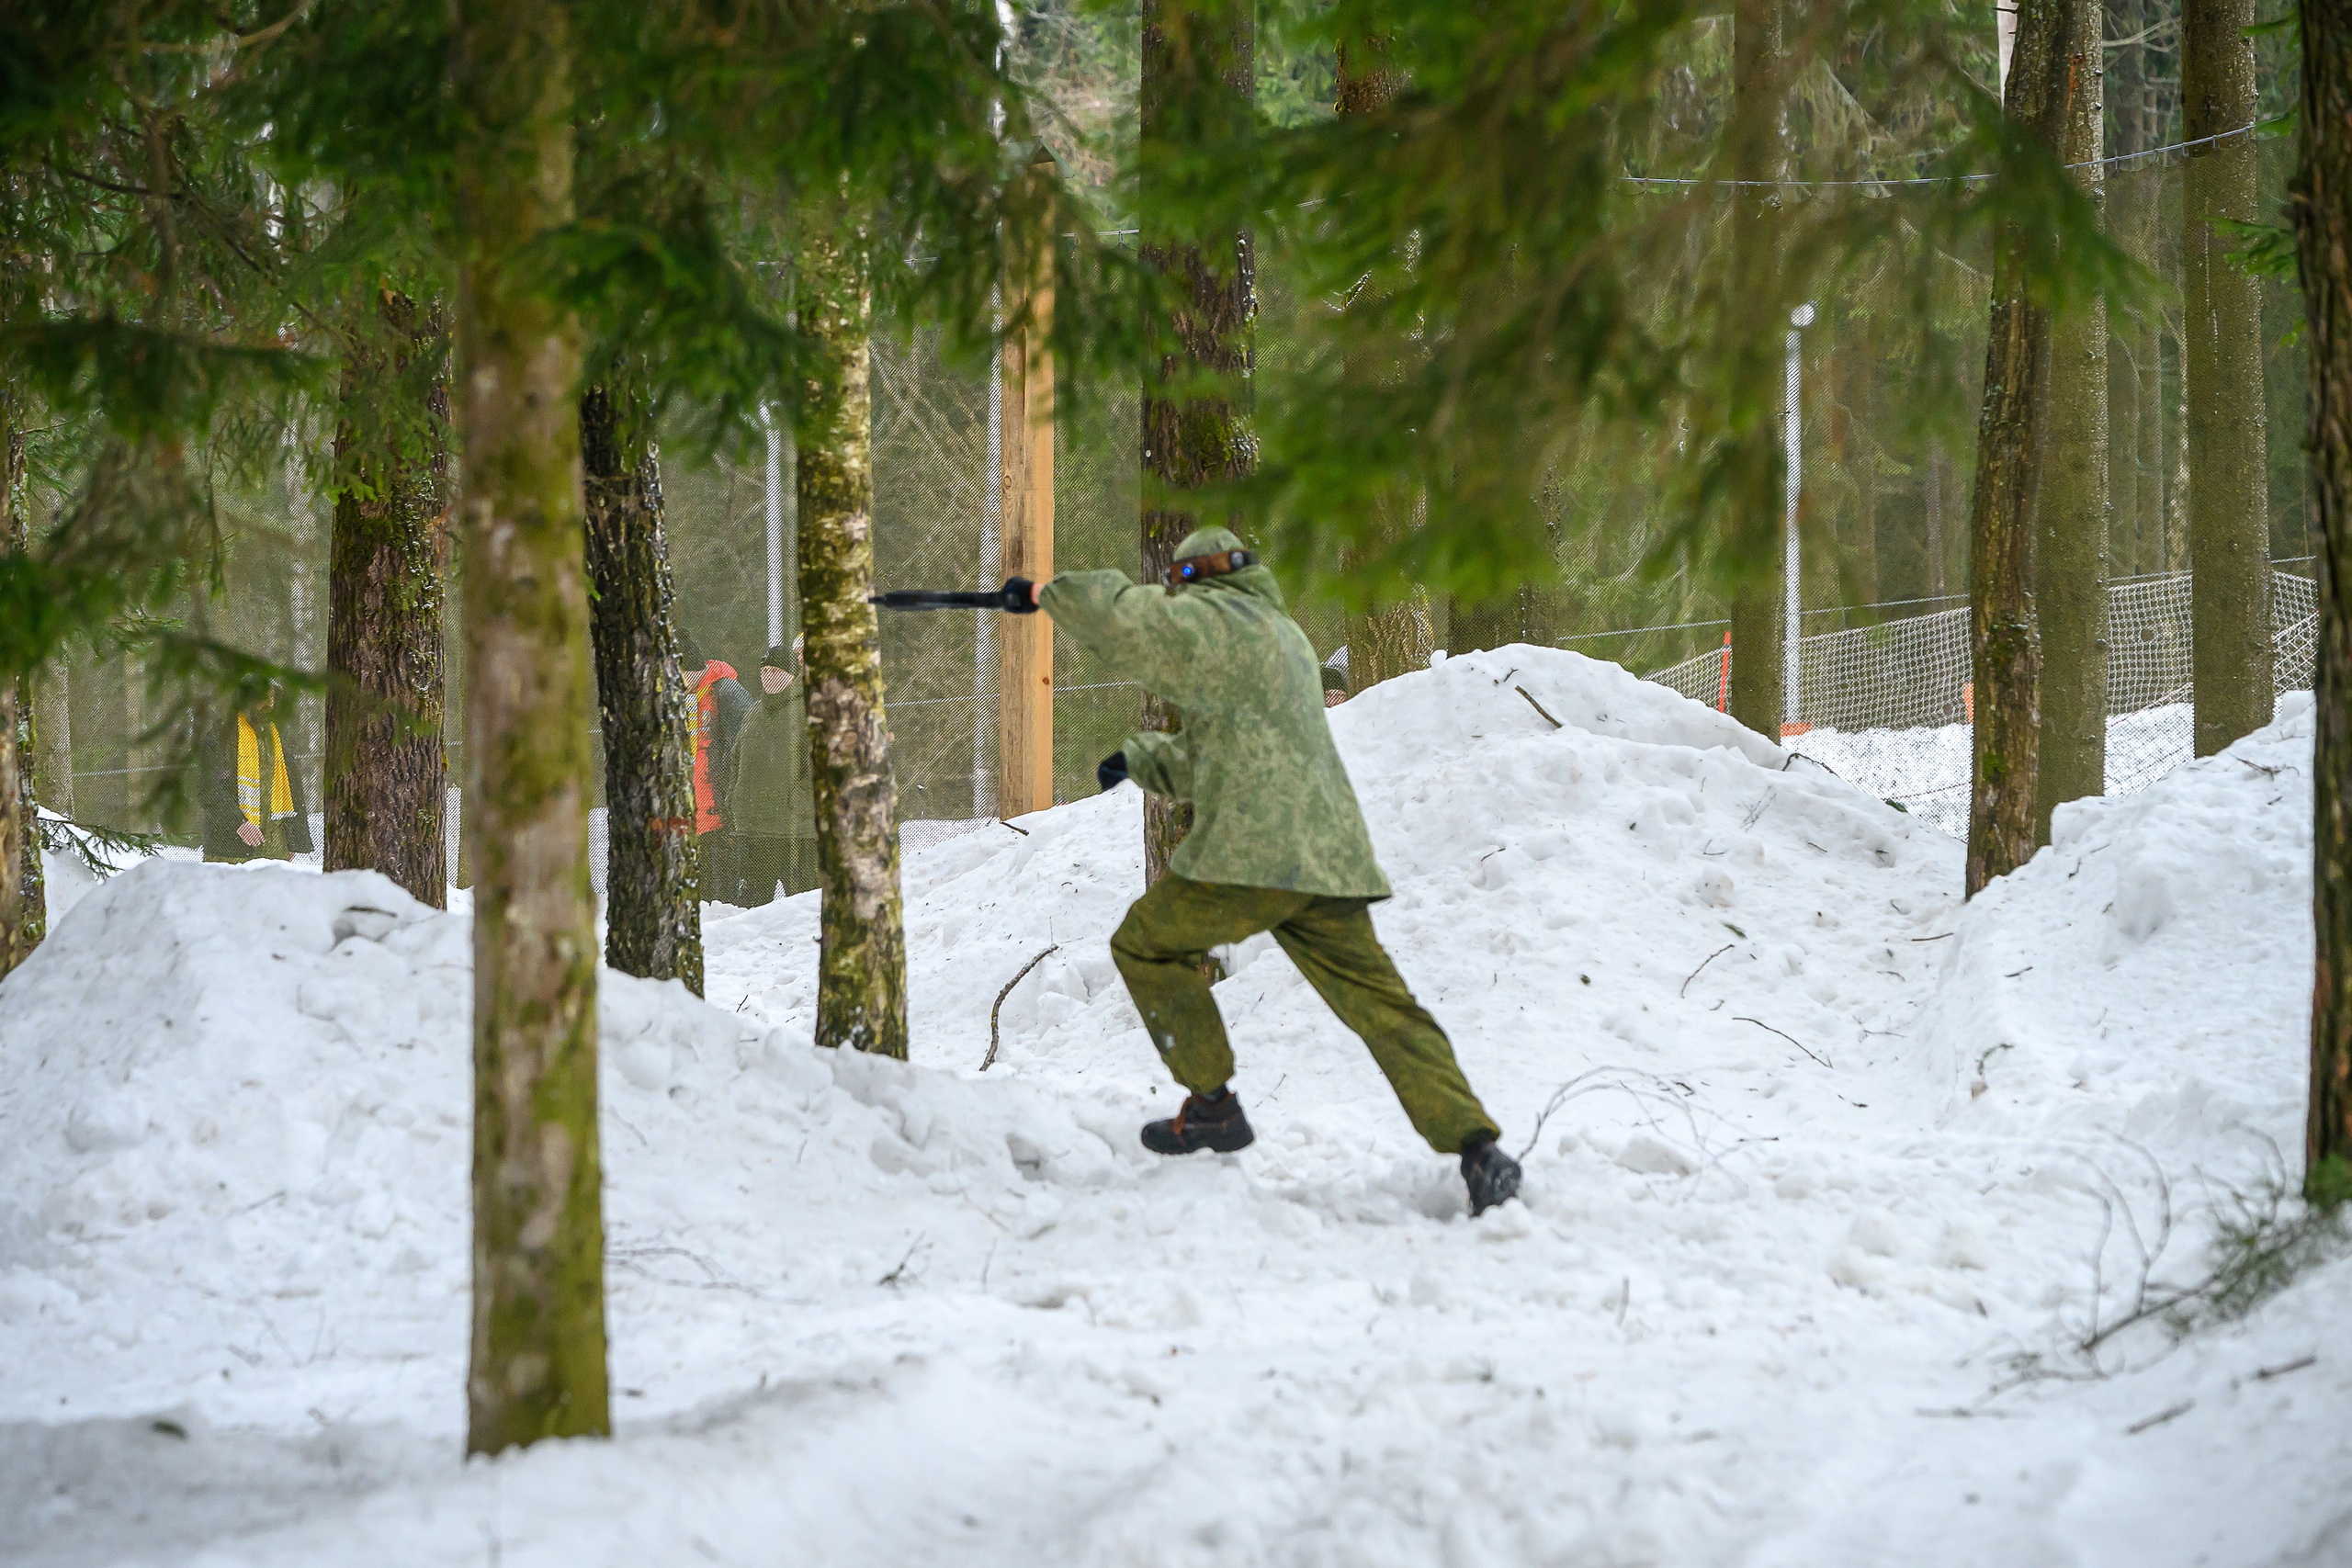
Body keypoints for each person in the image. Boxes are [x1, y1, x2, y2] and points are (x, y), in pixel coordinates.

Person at [1015, 526, 1521, 1215]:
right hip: (1326, 858)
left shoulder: (1213, 620)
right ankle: (1479, 1150)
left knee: (1143, 943)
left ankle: (1214, 1104)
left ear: (1196, 582)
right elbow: (1215, 753)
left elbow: (1121, 617)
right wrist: (1139, 757)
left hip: (1252, 855)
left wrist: (1051, 593)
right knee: (1385, 1008)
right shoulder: (1282, 635)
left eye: (1177, 587)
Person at [727, 637, 820, 907]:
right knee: (750, 917)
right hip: (753, 832)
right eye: (764, 671)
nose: (768, 677)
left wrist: (798, 803)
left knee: (805, 912)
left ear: (792, 675)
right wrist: (736, 796)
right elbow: (734, 757)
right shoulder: (754, 711)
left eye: (776, 671)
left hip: (796, 835)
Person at [676, 634, 752, 901]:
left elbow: (746, 746)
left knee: (721, 897)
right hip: (692, 814)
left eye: (679, 673)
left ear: (691, 670)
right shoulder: (685, 697)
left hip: (718, 813)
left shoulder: (725, 692)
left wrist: (733, 797)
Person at [201, 685, 314, 863]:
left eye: (270, 697)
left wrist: (293, 840)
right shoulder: (220, 736)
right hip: (231, 847)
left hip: (275, 845)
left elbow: (292, 788)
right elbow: (207, 789)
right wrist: (239, 823)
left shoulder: (278, 735)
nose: (267, 703)